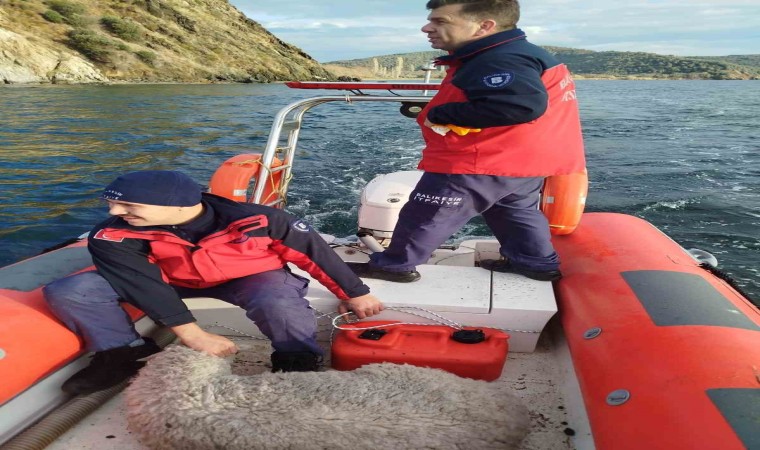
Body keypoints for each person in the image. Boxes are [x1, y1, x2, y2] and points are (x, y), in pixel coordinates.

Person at [44, 170, 384, 395]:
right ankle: (123, 352)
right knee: (74, 290)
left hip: (251, 277)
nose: (114, 212)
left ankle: (296, 359)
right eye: (112, 203)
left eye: (127, 205)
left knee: (277, 298)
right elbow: (140, 283)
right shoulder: (113, 234)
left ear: (178, 205)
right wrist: (194, 334)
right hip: (168, 279)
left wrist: (354, 293)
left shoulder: (262, 219)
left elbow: (314, 253)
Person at [350, 0, 586, 283]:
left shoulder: (497, 59)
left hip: (481, 161)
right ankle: (535, 264)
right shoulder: (522, 52)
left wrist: (439, 113)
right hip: (525, 159)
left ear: (484, 26)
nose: (427, 28)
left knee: (427, 213)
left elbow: (521, 106)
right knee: (515, 211)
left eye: (441, 21)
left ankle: (393, 266)